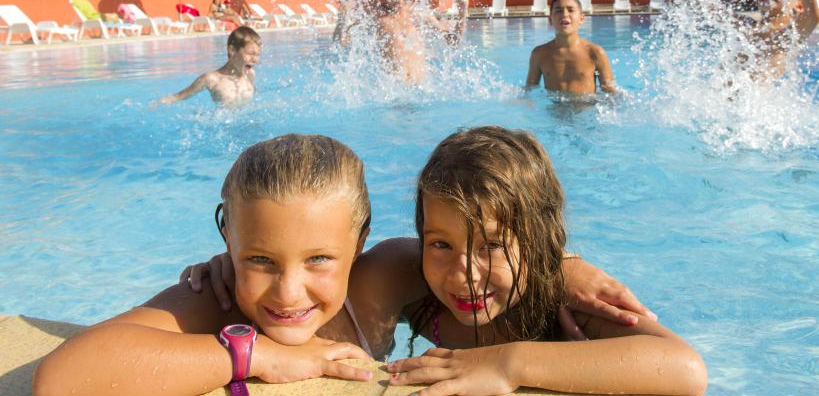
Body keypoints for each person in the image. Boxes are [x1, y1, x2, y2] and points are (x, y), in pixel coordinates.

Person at [34, 133, 652, 395]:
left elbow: (680, 368)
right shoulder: (224, 293)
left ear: (360, 247)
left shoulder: (394, 272)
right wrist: (263, 354)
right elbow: (63, 380)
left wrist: (558, 269)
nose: (287, 288)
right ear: (227, 243)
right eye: (258, 257)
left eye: (320, 259)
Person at [386, 126, 707, 395]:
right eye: (441, 243)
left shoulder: (564, 306)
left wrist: (508, 363)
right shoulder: (419, 296)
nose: (462, 276)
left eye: (492, 245)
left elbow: (685, 369)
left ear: (538, 243)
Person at [526, 0, 618, 94]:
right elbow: (529, 90)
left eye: (570, 10)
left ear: (581, 18)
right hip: (554, 108)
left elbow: (610, 91)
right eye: (558, 10)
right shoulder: (539, 54)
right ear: (550, 19)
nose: (564, 14)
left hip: (586, 107)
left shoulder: (594, 53)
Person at [157, 26, 261, 107]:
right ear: (232, 50)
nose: (256, 60)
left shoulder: (250, 74)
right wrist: (156, 104)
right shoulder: (212, 79)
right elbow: (178, 97)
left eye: (257, 54)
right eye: (251, 53)